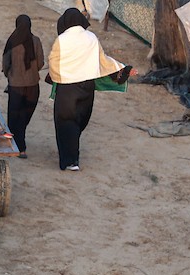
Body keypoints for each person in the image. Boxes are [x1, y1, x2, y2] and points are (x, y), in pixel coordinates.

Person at [47, 8, 135, 171]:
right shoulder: (91, 38)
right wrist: (122, 68)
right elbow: (103, 61)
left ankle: (69, 160)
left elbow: (53, 62)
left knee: (65, 122)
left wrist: (56, 77)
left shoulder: (62, 39)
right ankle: (74, 157)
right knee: (79, 119)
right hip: (87, 88)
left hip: (67, 89)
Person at [1, 14, 44, 159]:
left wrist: (11, 75)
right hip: (33, 85)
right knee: (25, 115)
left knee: (15, 115)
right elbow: (40, 63)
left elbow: (5, 64)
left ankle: (15, 143)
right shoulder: (36, 41)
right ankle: (21, 147)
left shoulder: (12, 41)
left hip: (15, 86)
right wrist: (31, 72)